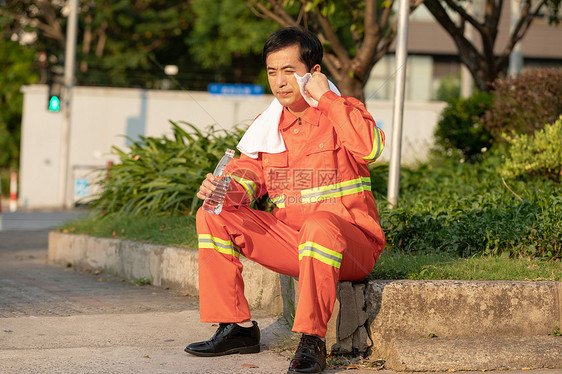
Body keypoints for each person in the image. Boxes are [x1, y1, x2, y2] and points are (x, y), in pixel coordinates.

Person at [184, 26, 385, 373]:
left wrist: (329, 99)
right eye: (272, 72)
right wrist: (223, 189)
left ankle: (311, 341)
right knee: (212, 214)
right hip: (296, 244)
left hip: (351, 247)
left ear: (314, 73)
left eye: (289, 70)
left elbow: (371, 148)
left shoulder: (341, 111)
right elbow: (248, 178)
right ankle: (236, 328)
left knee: (319, 226)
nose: (279, 82)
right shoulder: (268, 126)